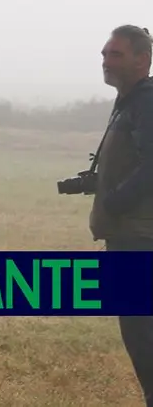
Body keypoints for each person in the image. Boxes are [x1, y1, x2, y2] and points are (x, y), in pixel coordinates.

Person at [89, 24, 153, 407]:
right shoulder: (130, 102)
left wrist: (114, 201)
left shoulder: (146, 101)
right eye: (104, 55)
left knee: (143, 334)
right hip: (131, 235)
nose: (106, 62)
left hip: (139, 237)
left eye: (116, 55)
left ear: (143, 59)